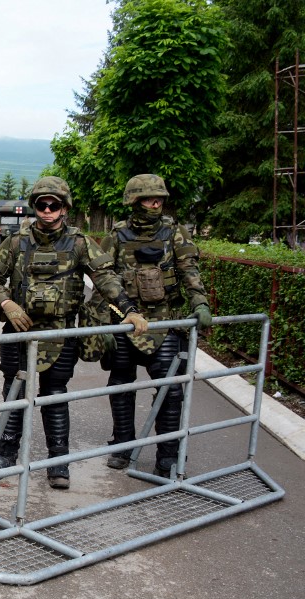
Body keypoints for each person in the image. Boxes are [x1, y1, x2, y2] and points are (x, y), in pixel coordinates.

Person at [0, 177, 148, 489]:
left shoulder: (79, 243)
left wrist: (129, 309)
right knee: (14, 392)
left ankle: (58, 462)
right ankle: (6, 453)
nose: (47, 210)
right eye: (41, 204)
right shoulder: (16, 242)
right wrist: (7, 303)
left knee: (55, 395)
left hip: (60, 333)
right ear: (35, 207)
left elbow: (106, 278)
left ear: (64, 208)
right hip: (19, 331)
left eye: (53, 205)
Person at [96, 174, 211, 477]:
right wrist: (101, 326)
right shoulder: (117, 235)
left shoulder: (175, 232)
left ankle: (168, 456)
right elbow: (102, 279)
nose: (155, 204)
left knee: (170, 391)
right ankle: (123, 446)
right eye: (148, 199)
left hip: (165, 323)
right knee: (121, 387)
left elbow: (189, 270)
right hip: (124, 323)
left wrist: (200, 302)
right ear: (134, 201)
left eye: (159, 198)